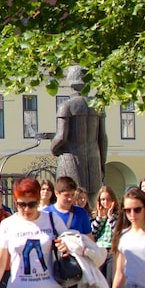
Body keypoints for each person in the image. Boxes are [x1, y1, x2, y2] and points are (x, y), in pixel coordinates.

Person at [43, 175, 93, 288]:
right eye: (66, 196)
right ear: (57, 194)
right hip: (54, 266)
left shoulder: (80, 214)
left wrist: (78, 245)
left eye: (72, 195)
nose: (70, 199)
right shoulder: (47, 214)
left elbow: (89, 239)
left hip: (76, 266)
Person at [52, 65, 108, 200]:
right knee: (93, 199)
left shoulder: (66, 106)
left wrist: (53, 149)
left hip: (71, 158)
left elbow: (61, 137)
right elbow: (103, 139)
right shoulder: (97, 106)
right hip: (94, 158)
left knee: (72, 196)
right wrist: (102, 162)